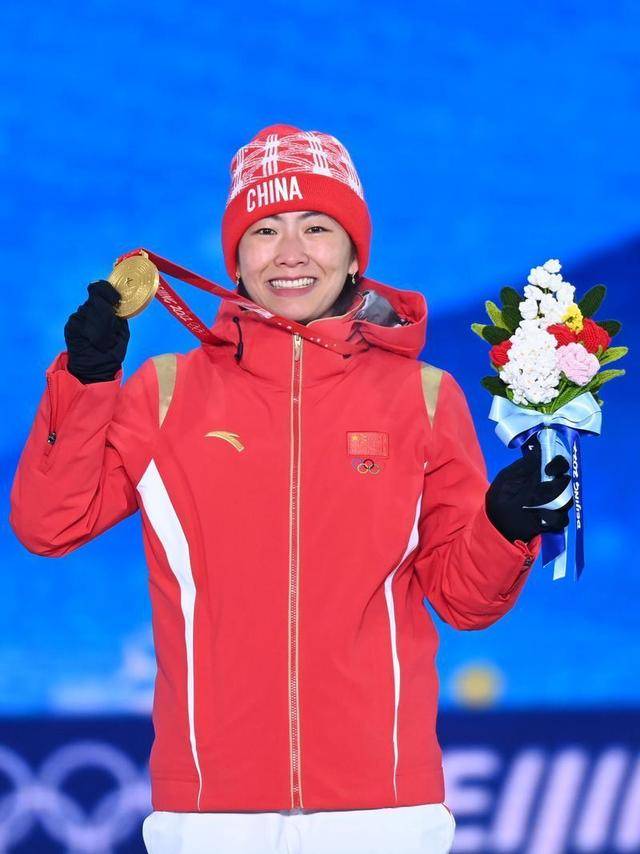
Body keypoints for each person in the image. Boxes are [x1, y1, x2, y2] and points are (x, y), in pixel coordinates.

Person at [9, 124, 573, 854]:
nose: (291, 253)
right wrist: (86, 382)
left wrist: (502, 527)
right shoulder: (166, 391)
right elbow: (49, 524)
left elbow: (465, 601)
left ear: (355, 253)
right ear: (235, 256)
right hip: (211, 811)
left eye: (317, 227)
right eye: (265, 230)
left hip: (383, 809)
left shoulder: (425, 397)